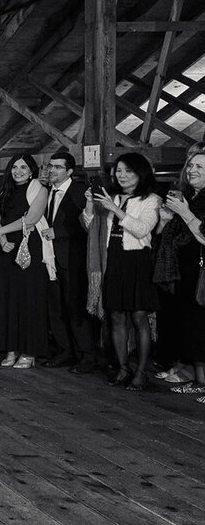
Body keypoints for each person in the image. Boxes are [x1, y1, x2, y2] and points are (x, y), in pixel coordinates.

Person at [83, 153, 161, 389]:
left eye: (128, 171)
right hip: (113, 258)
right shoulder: (112, 196)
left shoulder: (152, 200)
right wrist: (91, 202)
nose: (122, 175)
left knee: (139, 316)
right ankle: (123, 367)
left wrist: (115, 210)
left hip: (137, 260)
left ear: (140, 174)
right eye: (119, 170)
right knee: (116, 315)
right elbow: (89, 226)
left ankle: (141, 371)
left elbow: (142, 230)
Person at [0, 154, 51, 370]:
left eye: (23, 167)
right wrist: (1, 238)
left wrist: (1, 232)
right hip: (5, 248)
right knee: (6, 299)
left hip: (29, 246)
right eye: (14, 167)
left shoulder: (40, 190)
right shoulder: (1, 190)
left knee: (28, 299)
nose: (18, 171)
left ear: (31, 170)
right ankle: (10, 348)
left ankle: (29, 351)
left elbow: (31, 218)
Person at [154, 150, 205, 399]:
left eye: (200, 167)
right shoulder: (190, 198)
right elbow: (169, 238)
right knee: (192, 330)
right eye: (191, 165)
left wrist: (184, 213)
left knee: (202, 328)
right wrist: (166, 219)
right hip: (184, 273)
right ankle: (198, 380)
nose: (193, 170)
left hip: (202, 273)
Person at [40, 151, 94, 371]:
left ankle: (87, 356)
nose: (52, 170)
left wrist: (58, 231)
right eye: (50, 166)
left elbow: (89, 225)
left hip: (73, 259)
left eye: (58, 167)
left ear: (70, 171)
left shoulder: (81, 192)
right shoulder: (44, 193)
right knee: (55, 309)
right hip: (49, 259)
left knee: (76, 309)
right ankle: (65, 351)